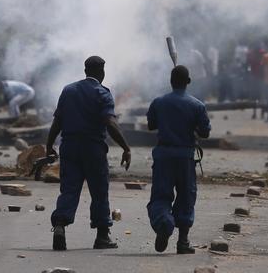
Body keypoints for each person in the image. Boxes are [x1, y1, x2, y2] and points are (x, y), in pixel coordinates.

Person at [47, 56, 132, 251]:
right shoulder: (102, 93)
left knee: (69, 189)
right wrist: (126, 148)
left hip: (69, 147)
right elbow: (110, 123)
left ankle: (60, 225)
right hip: (93, 149)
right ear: (102, 72)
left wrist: (48, 145)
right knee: (99, 192)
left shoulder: (68, 90)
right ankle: (102, 236)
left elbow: (57, 122)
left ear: (85, 71)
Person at [146, 65, 211, 254]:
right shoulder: (197, 105)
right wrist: (192, 127)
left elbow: (151, 125)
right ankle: (183, 242)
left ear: (171, 81)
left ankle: (164, 224)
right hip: (185, 157)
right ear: (188, 82)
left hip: (163, 156)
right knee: (186, 197)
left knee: (160, 196)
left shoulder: (159, 102)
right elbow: (205, 133)